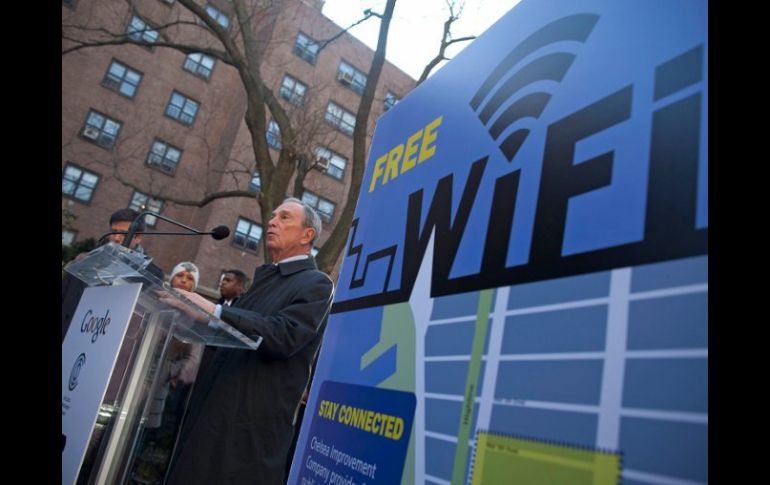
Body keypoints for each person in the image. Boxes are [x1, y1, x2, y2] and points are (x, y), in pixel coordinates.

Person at [164, 198, 335, 484]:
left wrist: (214, 311)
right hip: (210, 417)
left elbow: (284, 335)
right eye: (273, 215)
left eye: (284, 217)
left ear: (308, 235)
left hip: (243, 438)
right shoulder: (264, 282)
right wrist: (193, 318)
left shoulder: (316, 283)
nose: (272, 221)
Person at [62, 208, 164, 341]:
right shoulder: (85, 261)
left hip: (105, 343)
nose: (116, 238)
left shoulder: (151, 274)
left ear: (138, 237)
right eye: (113, 232)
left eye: (122, 233)